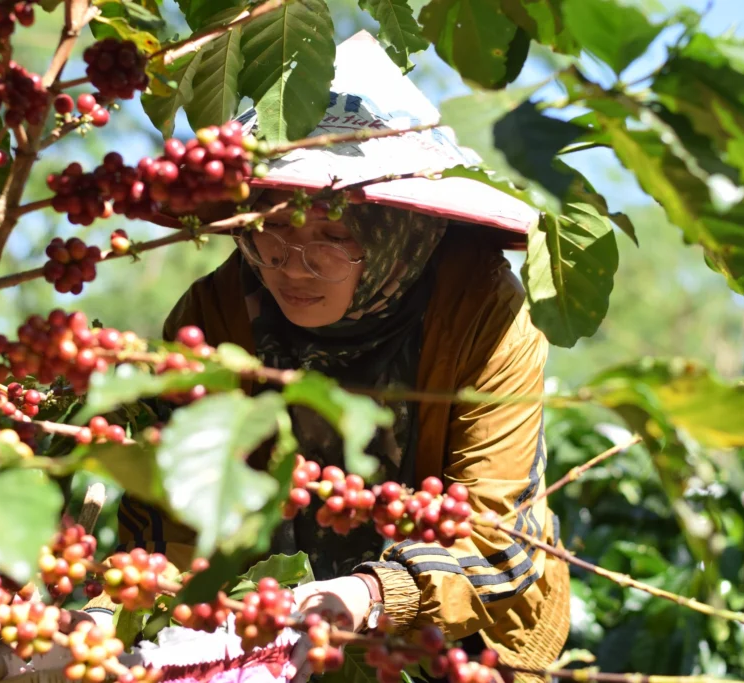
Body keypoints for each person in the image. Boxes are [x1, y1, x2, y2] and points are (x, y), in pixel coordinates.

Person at [88, 33, 571, 681]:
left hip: (456, 635)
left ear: (393, 229)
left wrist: (369, 595)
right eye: (273, 229)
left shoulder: (485, 316)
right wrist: (113, 615)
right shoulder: (217, 315)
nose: (293, 264)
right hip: (266, 621)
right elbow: (174, 510)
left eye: (332, 235)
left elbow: (496, 535)